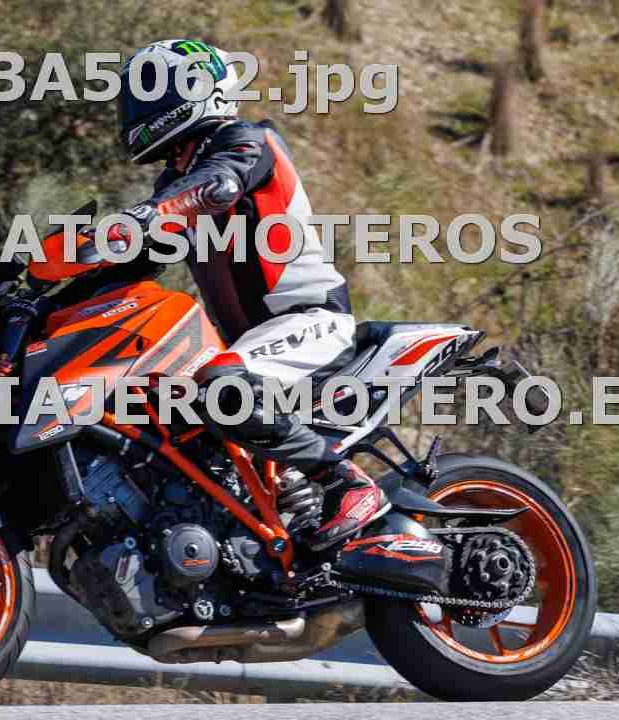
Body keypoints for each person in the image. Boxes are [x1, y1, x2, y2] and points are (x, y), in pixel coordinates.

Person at [108, 39, 389, 549]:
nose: (137, 108)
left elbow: (220, 183)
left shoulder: (248, 143)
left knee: (221, 384)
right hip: (251, 343)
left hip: (310, 320)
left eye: (151, 92)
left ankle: (346, 481)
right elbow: (138, 260)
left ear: (194, 87)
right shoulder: (176, 179)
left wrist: (148, 215)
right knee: (152, 399)